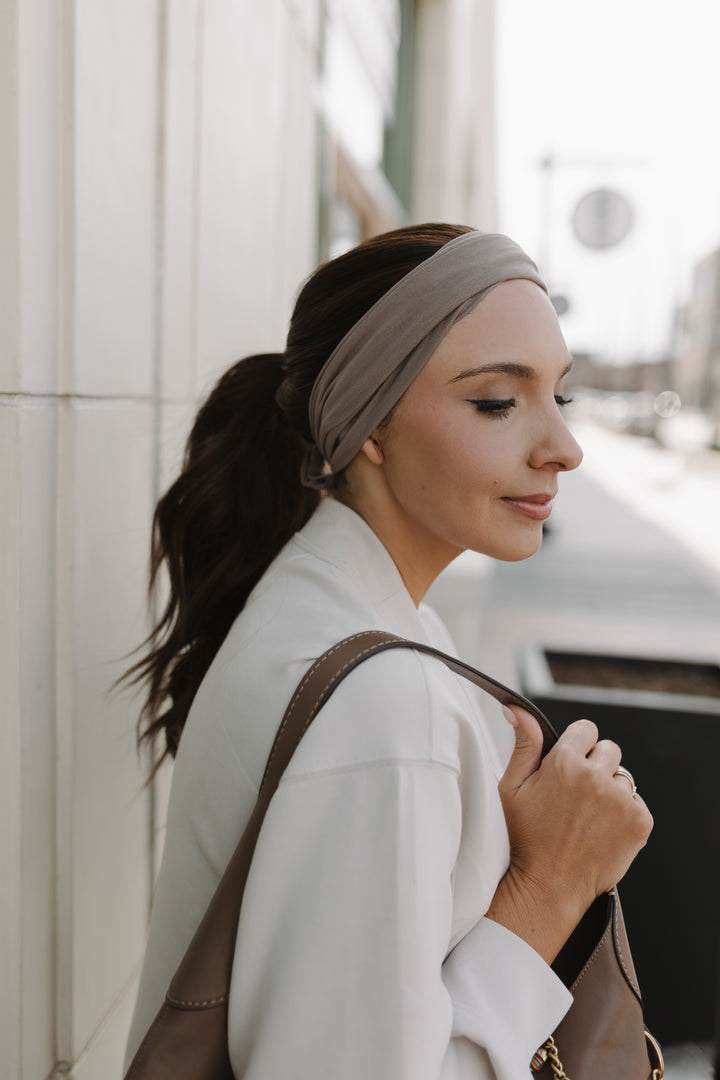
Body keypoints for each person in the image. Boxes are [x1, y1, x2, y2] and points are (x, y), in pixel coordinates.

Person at [123, 223, 653, 1079]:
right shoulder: (381, 704)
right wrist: (550, 884)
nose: (564, 447)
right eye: (496, 402)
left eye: (562, 395)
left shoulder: (333, 607)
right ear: (370, 423)